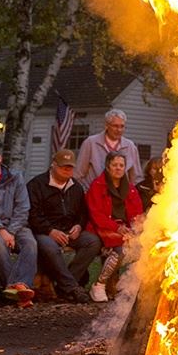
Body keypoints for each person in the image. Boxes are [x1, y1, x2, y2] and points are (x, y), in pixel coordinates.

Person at [29, 149, 98, 302]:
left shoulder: (76, 188)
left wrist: (79, 226)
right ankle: (73, 287)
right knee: (50, 247)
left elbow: (83, 213)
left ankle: (64, 285)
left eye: (71, 167)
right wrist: (50, 230)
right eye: (63, 166)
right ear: (53, 165)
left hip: (69, 231)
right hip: (45, 232)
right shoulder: (37, 185)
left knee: (93, 242)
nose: (67, 170)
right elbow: (32, 215)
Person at [0, 143, 38, 307]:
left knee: (30, 243)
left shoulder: (15, 177)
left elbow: (23, 208)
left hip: (17, 226)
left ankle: (17, 287)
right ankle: (21, 293)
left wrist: (10, 231)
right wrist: (1, 230)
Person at [85, 152, 146, 303]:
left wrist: (135, 228)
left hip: (125, 229)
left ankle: (134, 287)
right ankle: (99, 285)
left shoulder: (130, 188)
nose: (118, 168)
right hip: (103, 228)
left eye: (121, 165)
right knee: (119, 250)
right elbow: (96, 214)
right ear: (107, 166)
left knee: (144, 246)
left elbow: (137, 212)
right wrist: (116, 228)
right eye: (114, 165)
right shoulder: (97, 186)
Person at [77, 109, 141, 188]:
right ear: (106, 125)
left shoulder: (130, 146)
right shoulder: (91, 143)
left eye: (122, 126)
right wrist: (86, 192)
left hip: (121, 196)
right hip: (95, 194)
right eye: (115, 126)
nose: (119, 130)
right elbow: (79, 173)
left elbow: (136, 178)